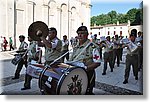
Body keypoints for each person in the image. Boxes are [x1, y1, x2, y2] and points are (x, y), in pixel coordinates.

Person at [69, 26, 101, 95]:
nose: (80, 35)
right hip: (76, 74)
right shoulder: (76, 46)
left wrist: (86, 68)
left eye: (82, 33)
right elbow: (71, 60)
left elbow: (97, 62)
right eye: (78, 33)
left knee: (87, 92)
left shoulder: (92, 47)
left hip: (87, 74)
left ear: (87, 34)